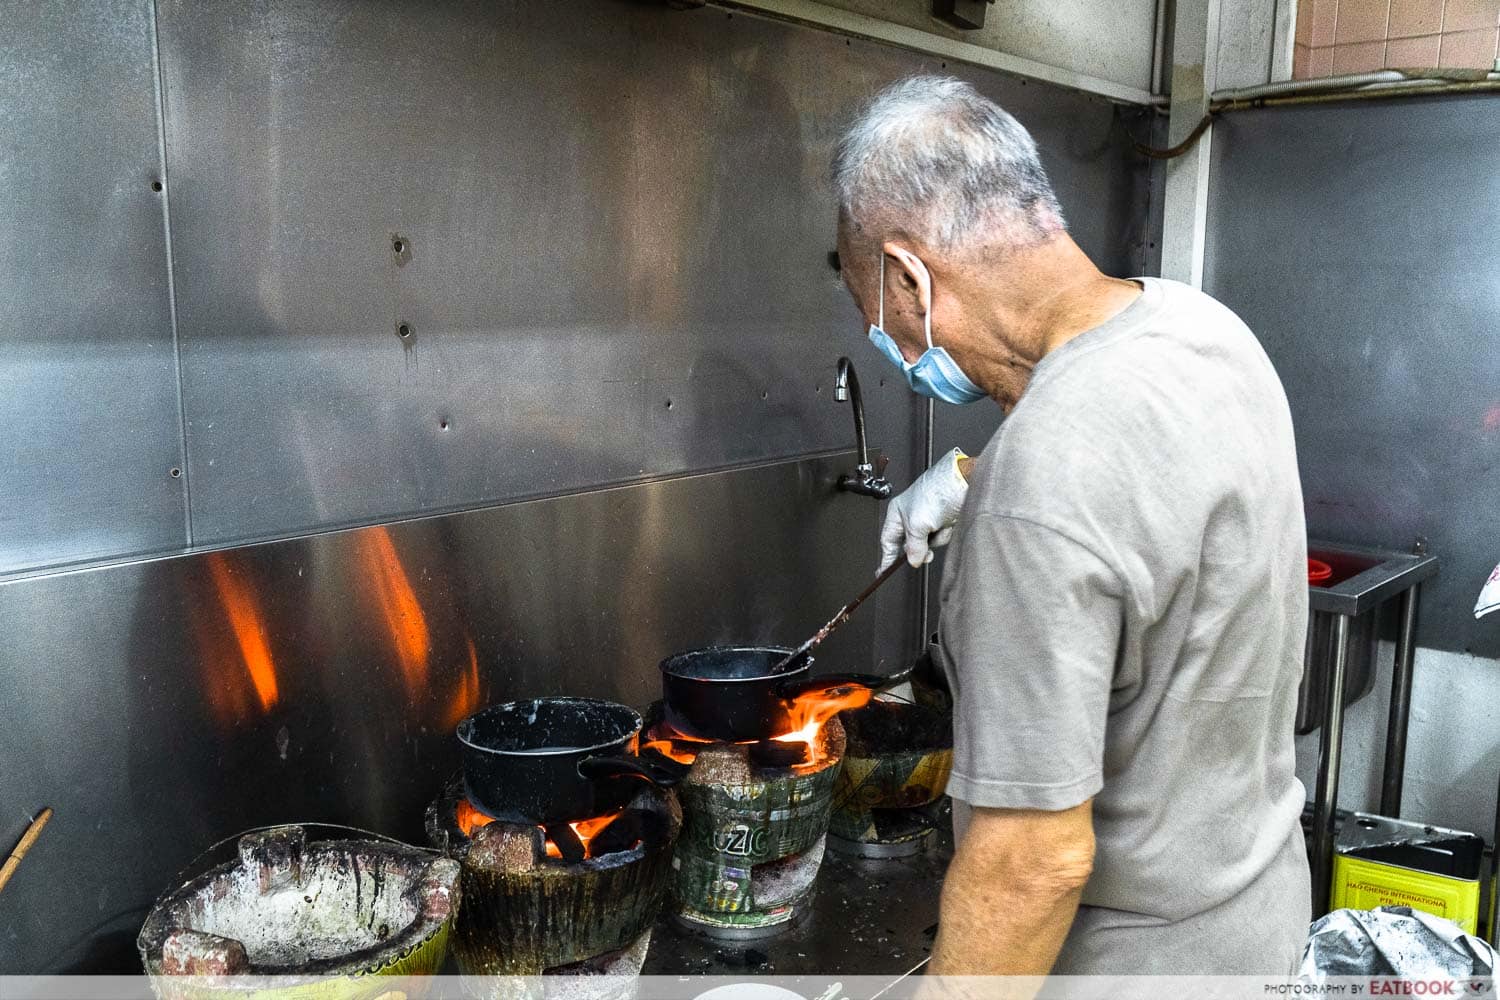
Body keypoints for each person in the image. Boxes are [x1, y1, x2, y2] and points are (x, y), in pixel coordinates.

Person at [832, 76, 1311, 979]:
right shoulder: (1201, 330)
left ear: (910, 273)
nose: (892, 347)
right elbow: (1142, 495)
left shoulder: (1046, 478)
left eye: (880, 319)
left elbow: (1032, 864)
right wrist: (973, 474)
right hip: (1256, 920)